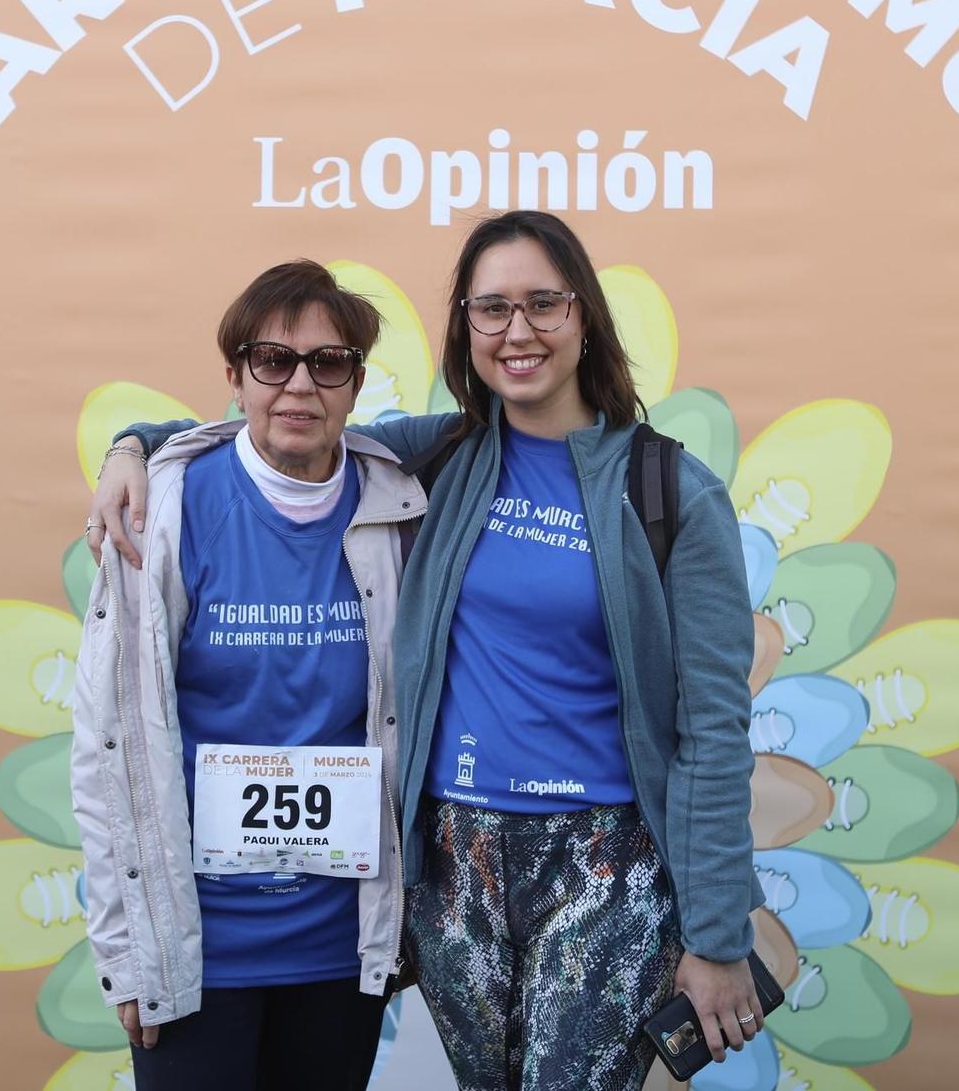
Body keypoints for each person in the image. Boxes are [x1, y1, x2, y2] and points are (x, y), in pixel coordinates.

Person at [90, 214, 766, 1091]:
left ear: (585, 317)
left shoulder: (670, 489)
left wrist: (717, 935)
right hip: (454, 868)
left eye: (542, 303)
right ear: (466, 328)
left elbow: (716, 728)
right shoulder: (437, 455)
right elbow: (282, 424)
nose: (517, 330)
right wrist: (135, 445)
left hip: (601, 864)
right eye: (491, 308)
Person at [70, 260, 424, 1091]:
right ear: (234, 378)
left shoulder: (401, 501)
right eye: (272, 361)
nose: (299, 385)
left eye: (327, 363)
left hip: (340, 946)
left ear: (355, 383)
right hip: (198, 950)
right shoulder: (159, 511)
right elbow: (105, 745)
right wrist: (129, 952)